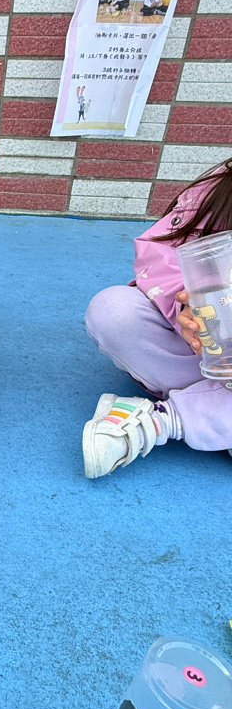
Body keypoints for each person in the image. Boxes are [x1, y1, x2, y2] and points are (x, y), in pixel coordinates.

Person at [82, 158, 232, 477]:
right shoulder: (220, 187)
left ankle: (158, 420)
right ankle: (216, 416)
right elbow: (161, 252)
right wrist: (186, 302)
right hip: (205, 354)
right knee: (113, 311)